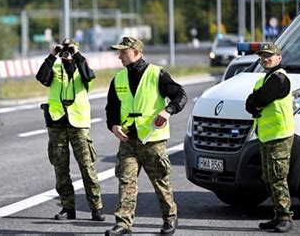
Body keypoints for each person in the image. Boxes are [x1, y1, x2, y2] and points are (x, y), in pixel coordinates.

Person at [104, 37, 187, 235]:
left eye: (123, 52)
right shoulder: (118, 78)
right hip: (128, 140)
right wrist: (114, 126)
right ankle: (123, 223)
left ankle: (169, 218)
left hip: (152, 140)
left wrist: (168, 110)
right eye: (119, 52)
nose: (119, 56)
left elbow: (180, 95)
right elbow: (112, 109)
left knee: (160, 181)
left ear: (137, 52)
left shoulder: (156, 74)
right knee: (126, 180)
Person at [35, 38, 105, 222]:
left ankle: (96, 208)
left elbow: (89, 76)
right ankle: (68, 208)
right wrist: (52, 56)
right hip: (57, 122)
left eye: (69, 50)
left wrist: (77, 55)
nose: (66, 53)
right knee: (60, 168)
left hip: (78, 124)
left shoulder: (82, 68)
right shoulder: (55, 67)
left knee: (87, 167)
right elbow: (42, 77)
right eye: (64, 50)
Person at [246, 43, 294, 233]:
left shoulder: (279, 78)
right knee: (268, 177)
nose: (265, 59)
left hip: (279, 136)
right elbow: (251, 102)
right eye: (263, 56)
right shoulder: (266, 79)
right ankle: (277, 216)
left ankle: (285, 218)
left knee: (277, 178)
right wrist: (254, 101)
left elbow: (259, 99)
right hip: (267, 136)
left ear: (279, 58)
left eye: (269, 56)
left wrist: (254, 101)